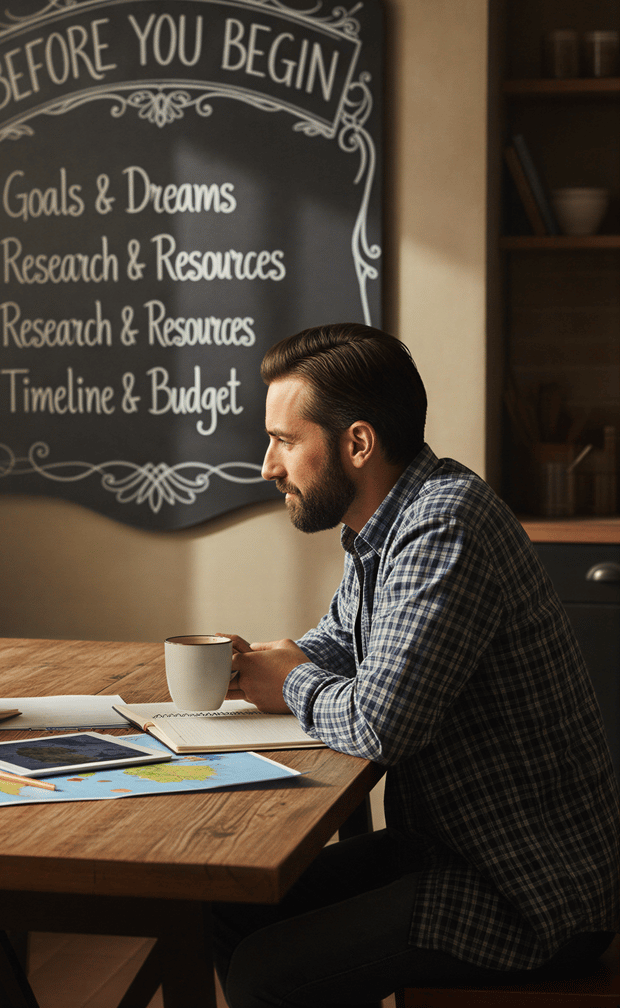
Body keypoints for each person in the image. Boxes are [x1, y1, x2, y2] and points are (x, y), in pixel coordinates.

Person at [215, 323, 619, 1008]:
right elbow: (345, 640)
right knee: (229, 908)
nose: (268, 465)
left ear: (358, 443)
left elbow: (382, 723)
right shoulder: (386, 524)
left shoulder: (444, 525)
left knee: (265, 975)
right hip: (452, 850)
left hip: (527, 891)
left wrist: (288, 680)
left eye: (285, 440)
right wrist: (260, 662)